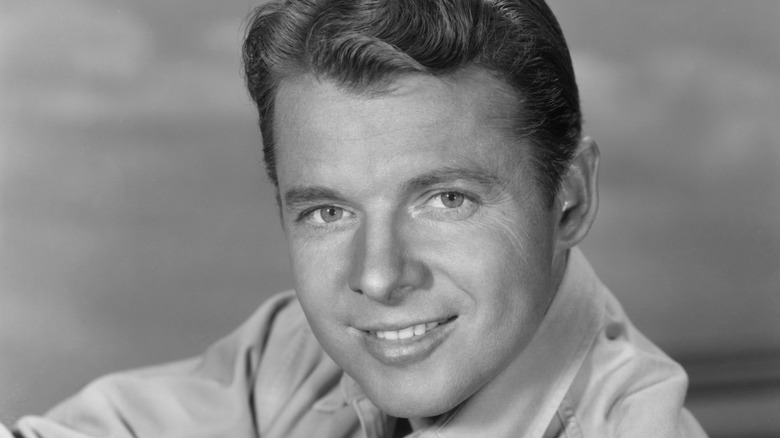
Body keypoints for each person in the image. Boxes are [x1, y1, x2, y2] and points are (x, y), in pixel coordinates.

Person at [3, 0, 708, 436]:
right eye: (327, 211)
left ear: (571, 198)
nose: (377, 277)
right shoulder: (290, 354)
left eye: (447, 199)